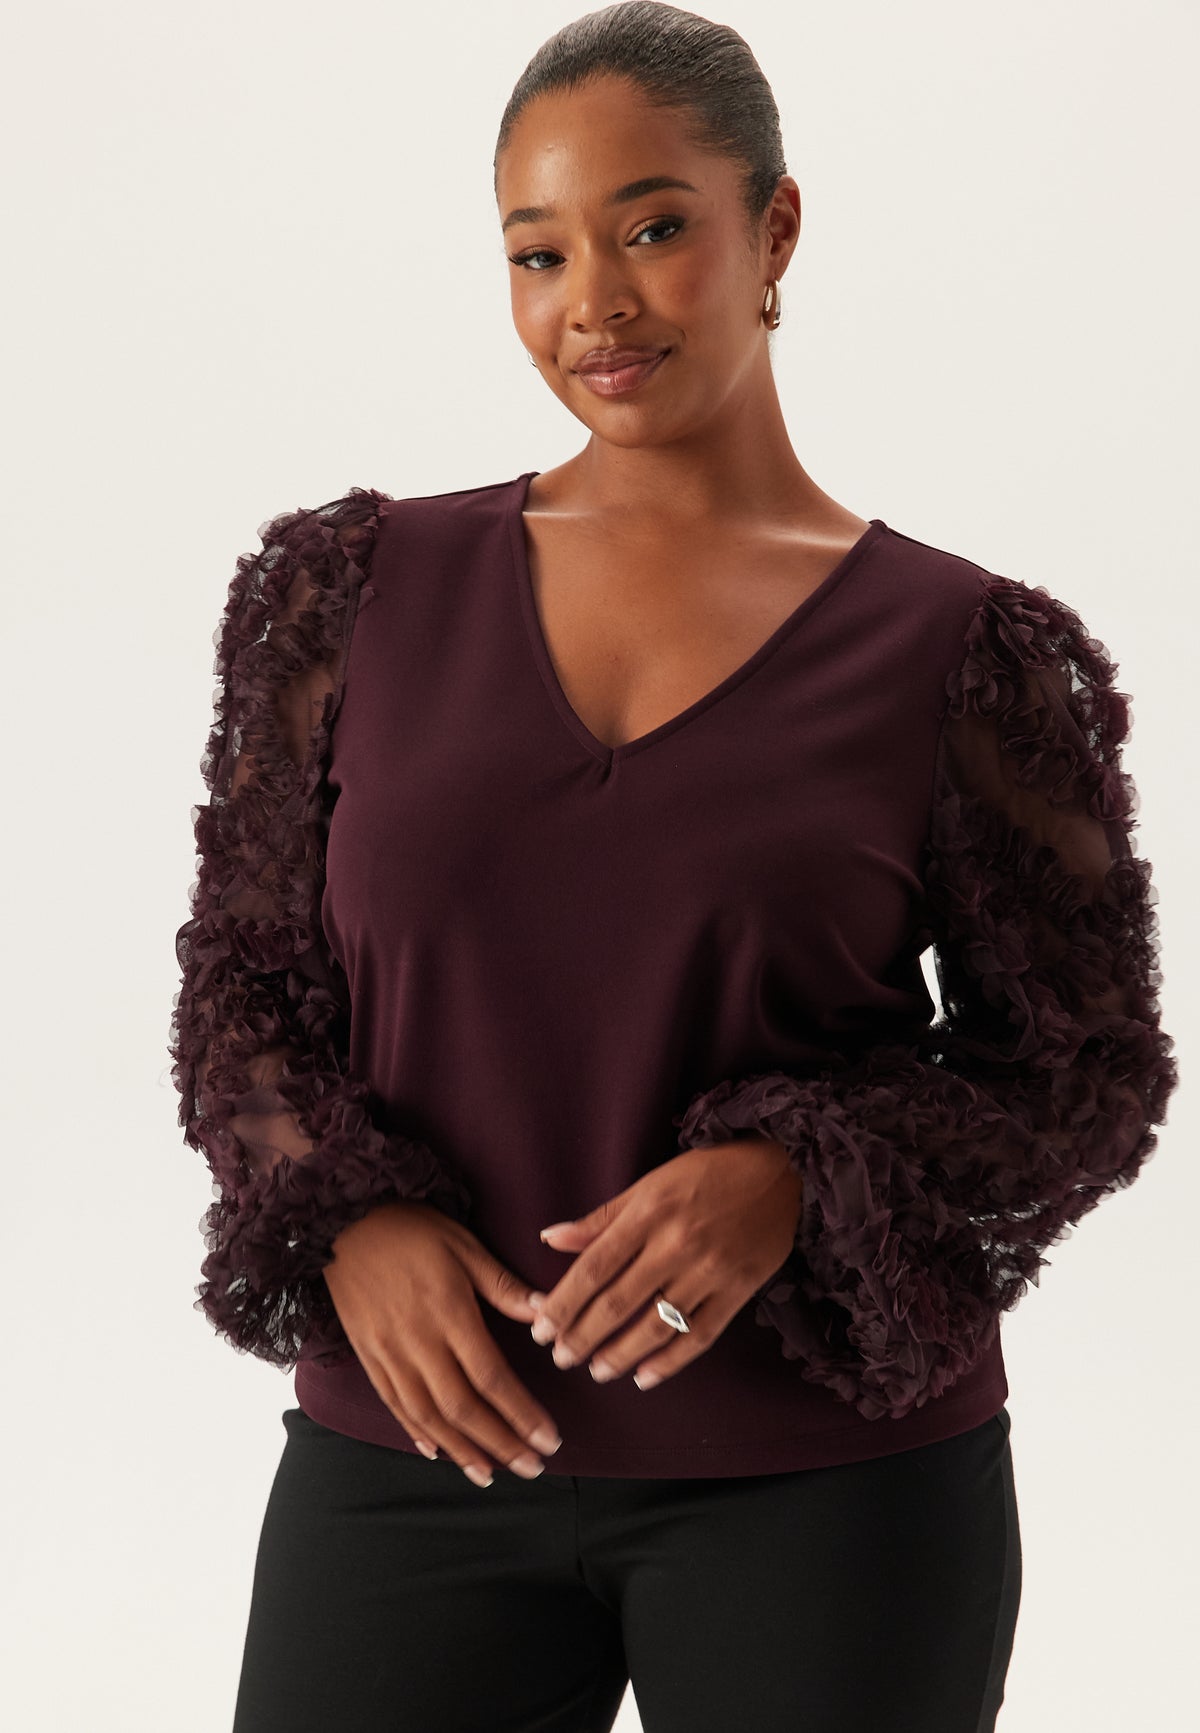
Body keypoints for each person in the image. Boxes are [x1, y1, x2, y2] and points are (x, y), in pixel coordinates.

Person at [168, 5, 1178, 1730]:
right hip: (412, 1459)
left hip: (832, 1488)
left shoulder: (967, 654)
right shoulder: (344, 596)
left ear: (774, 229)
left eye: (652, 227)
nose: (594, 303)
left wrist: (794, 1173)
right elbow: (244, 986)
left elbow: (1083, 1068)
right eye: (538, 252)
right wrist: (348, 1214)